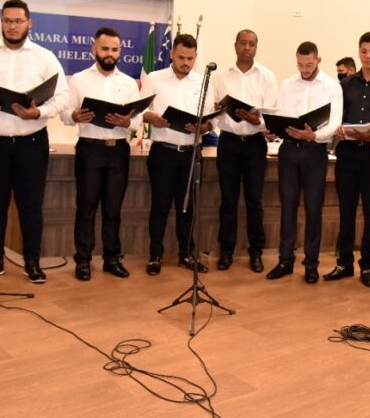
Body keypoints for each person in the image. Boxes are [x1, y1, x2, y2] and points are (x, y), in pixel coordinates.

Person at [0, 0, 69, 284]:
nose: (12, 26)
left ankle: (32, 262)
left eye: (18, 21)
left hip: (30, 143)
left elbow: (62, 97)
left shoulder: (45, 57)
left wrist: (39, 112)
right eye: (7, 21)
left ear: (29, 23)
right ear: (1, 23)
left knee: (31, 205)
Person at [61, 27, 139, 281]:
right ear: (94, 49)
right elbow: (65, 113)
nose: (109, 54)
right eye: (105, 49)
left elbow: (138, 119)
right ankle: (83, 260)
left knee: (113, 209)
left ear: (120, 52)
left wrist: (128, 122)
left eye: (114, 50)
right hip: (89, 149)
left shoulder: (128, 82)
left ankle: (111, 259)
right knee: (86, 207)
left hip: (118, 150)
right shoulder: (79, 79)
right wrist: (75, 115)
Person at [325, 32, 370, 287]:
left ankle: (366, 265)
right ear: (358, 52)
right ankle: (344, 262)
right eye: (364, 51)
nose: (368, 56)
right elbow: (336, 116)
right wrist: (337, 127)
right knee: (346, 211)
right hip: (347, 153)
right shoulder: (345, 84)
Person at [265, 41, 343, 283]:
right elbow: (280, 114)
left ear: (318, 60)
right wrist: (272, 129)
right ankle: (285, 261)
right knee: (287, 207)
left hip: (315, 152)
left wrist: (314, 136)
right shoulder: (287, 84)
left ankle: (311, 264)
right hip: (289, 151)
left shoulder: (331, 86)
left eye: (309, 64)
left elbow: (335, 121)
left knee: (313, 208)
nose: (304, 69)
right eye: (300, 64)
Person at [140, 33, 216, 276]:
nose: (186, 62)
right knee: (160, 206)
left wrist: (203, 127)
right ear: (172, 53)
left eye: (190, 59)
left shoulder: (203, 82)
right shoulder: (154, 78)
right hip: (163, 152)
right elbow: (141, 111)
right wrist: (153, 118)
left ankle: (186, 254)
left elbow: (210, 121)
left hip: (191, 154)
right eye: (181, 57)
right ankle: (155, 256)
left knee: (187, 207)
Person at [212, 29, 277, 274]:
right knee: (228, 200)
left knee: (254, 201)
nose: (247, 48)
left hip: (254, 144)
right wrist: (218, 109)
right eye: (243, 43)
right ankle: (226, 251)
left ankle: (256, 252)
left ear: (256, 47)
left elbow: (271, 116)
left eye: (251, 44)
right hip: (228, 143)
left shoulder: (267, 76)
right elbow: (212, 113)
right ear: (235, 45)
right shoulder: (220, 77)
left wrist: (255, 120)